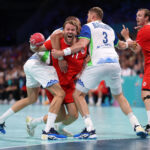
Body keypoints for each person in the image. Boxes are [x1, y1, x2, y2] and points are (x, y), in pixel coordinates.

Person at [51, 7, 148, 139]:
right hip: (114, 63)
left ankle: (89, 129)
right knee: (119, 96)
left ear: (93, 16)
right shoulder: (109, 28)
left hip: (98, 64)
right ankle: (136, 124)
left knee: (78, 94)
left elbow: (81, 45)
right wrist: (128, 41)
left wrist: (62, 53)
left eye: (87, 15)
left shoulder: (88, 26)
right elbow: (121, 45)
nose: (86, 18)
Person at [26, 18, 88, 137]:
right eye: (68, 29)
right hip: (56, 83)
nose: (70, 31)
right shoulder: (56, 41)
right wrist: (33, 44)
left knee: (74, 115)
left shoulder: (83, 44)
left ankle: (53, 127)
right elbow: (37, 49)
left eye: (73, 29)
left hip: (69, 84)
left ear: (77, 31)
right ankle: (42, 127)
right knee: (60, 115)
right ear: (63, 31)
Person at [121, 8, 150, 134]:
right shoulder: (145, 30)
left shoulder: (144, 31)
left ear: (147, 18)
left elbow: (136, 49)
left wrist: (127, 37)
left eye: (140, 16)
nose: (137, 18)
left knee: (146, 93)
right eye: (136, 15)